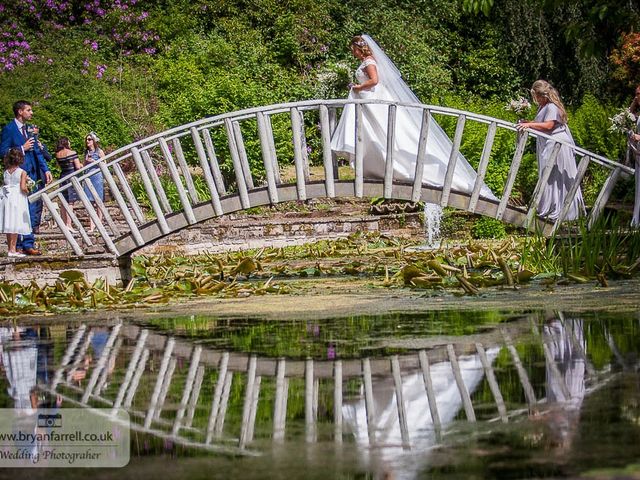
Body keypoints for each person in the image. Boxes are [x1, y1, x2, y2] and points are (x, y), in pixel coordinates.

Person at [330, 35, 495, 199]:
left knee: (387, 133)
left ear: (360, 48)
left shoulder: (369, 62)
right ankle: (378, 165)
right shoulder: (368, 61)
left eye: (354, 50)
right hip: (369, 102)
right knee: (375, 133)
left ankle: (399, 167)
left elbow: (374, 80)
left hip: (373, 101)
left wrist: (358, 87)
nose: (354, 53)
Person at [517, 80, 585, 221]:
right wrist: (527, 123)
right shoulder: (544, 107)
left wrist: (529, 124)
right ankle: (552, 208)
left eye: (535, 96)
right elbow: (542, 124)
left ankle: (562, 210)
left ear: (541, 95)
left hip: (557, 144)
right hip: (551, 143)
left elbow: (548, 126)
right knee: (550, 176)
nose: (534, 99)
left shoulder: (551, 107)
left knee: (555, 176)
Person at [0, 100, 52, 255]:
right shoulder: (9, 129)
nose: (32, 113)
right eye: (29, 110)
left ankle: (28, 243)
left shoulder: (29, 129)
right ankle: (22, 244)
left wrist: (46, 169)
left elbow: (36, 150)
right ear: (20, 112)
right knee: (22, 210)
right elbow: (2, 152)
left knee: (33, 209)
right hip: (18, 174)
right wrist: (22, 148)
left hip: (33, 173)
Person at [0, 148, 31, 257]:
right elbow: (22, 187)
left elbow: (6, 184)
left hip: (7, 199)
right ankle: (13, 250)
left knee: (9, 223)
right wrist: (29, 190)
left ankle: (10, 248)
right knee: (16, 222)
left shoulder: (6, 172)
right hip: (17, 198)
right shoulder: (22, 172)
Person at [54, 137, 82, 230]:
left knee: (63, 201)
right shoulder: (72, 153)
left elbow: (58, 166)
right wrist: (82, 165)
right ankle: (69, 224)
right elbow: (77, 166)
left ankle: (64, 223)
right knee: (70, 201)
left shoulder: (57, 154)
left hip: (63, 177)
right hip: (71, 177)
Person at [83, 131, 105, 232]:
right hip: (88, 176)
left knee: (98, 200)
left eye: (89, 139)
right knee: (90, 201)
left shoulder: (99, 151)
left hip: (97, 176)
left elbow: (104, 163)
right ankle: (92, 225)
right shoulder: (86, 153)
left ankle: (99, 223)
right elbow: (83, 166)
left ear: (94, 141)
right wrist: (86, 162)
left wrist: (95, 162)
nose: (87, 141)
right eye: (87, 139)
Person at [628, 85, 640, 227]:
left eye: (639, 94)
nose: (637, 96)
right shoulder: (637, 112)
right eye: (636, 94)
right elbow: (626, 117)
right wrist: (633, 104)